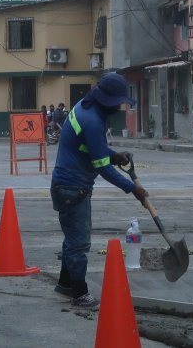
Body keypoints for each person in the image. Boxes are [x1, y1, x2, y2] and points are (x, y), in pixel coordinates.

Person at [50, 72, 147, 310]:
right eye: (119, 103)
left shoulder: (85, 108)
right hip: (73, 188)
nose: (120, 107)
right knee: (79, 243)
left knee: (72, 237)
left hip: (67, 186)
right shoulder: (93, 120)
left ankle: (65, 283)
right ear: (108, 101)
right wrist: (133, 188)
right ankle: (80, 294)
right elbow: (102, 168)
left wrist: (113, 155)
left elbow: (91, 148)